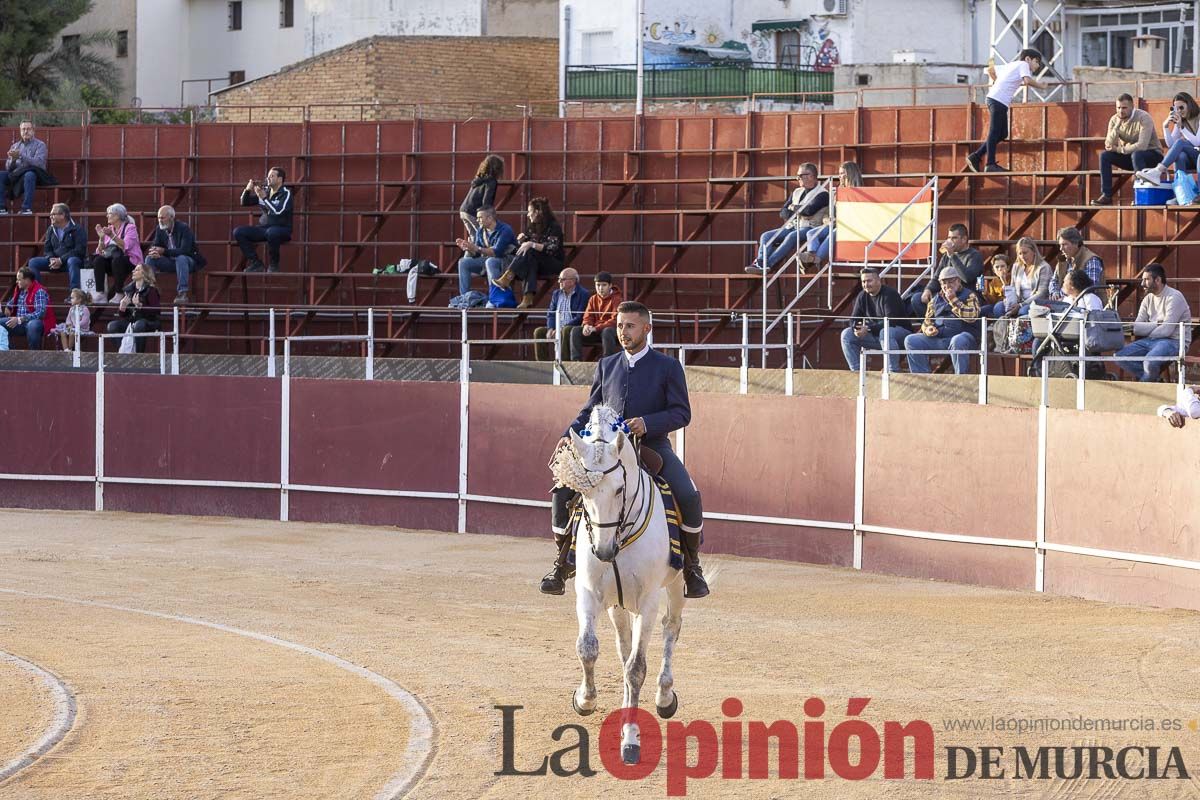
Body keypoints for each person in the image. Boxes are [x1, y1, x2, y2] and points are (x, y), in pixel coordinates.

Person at [541, 301, 709, 599]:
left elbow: (682, 414)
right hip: (605, 452)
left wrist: (648, 422)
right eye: (619, 326)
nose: (623, 332)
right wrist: (569, 435)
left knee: (688, 495)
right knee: (562, 491)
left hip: (651, 447)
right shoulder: (607, 364)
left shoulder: (668, 366)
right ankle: (562, 562)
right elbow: (590, 408)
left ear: (647, 328)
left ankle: (692, 568)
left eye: (629, 326)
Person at [965, 49, 1046, 173]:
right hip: (998, 99)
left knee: (1002, 134)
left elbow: (990, 70)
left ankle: (976, 156)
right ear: (1028, 59)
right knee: (994, 132)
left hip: (997, 99)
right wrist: (1042, 86)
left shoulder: (1011, 66)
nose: (1038, 65)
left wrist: (999, 82)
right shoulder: (1023, 65)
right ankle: (990, 164)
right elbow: (1027, 81)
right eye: (1036, 61)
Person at [1114, 263, 1192, 382]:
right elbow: (1137, 328)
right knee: (1119, 356)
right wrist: (1156, 324)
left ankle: (1144, 388)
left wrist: (1148, 329)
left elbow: (1166, 330)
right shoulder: (1148, 299)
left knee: (1149, 361)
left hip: (1174, 341)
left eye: (1146, 280)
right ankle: (1154, 380)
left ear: (1158, 280)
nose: (1142, 284)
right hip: (1152, 340)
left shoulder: (1175, 297)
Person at [746, 162, 828, 274]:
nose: (797, 178)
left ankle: (768, 265)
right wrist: (797, 210)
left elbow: (809, 211)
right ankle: (761, 262)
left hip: (810, 227)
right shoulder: (796, 192)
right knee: (766, 236)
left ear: (810, 176)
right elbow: (783, 212)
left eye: (799, 176)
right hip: (793, 226)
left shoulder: (823, 194)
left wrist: (794, 208)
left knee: (791, 236)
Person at [904, 266, 982, 374]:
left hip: (963, 338)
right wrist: (928, 329)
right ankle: (923, 378)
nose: (946, 286)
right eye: (943, 283)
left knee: (958, 340)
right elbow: (927, 321)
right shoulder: (935, 299)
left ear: (958, 281)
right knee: (911, 340)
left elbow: (972, 316)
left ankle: (961, 379)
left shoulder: (970, 295)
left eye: (950, 282)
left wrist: (954, 300)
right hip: (939, 338)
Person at [492, 196, 564, 309]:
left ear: (538, 212)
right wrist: (523, 240)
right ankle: (527, 298)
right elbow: (526, 246)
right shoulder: (532, 227)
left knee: (530, 252)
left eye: (530, 211)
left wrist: (531, 244)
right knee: (530, 261)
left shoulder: (554, 227)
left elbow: (552, 248)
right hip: (535, 261)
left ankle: (508, 276)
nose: (528, 214)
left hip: (552, 262)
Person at [1092, 93, 1162, 206]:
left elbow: (1142, 146)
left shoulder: (1143, 117)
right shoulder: (1115, 119)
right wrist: (1117, 126)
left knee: (1137, 154)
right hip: (1131, 156)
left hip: (1152, 155)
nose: (1120, 111)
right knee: (1105, 155)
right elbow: (1109, 145)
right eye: (1118, 108)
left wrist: (1119, 150)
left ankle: (1141, 195)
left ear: (1132, 107)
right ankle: (1106, 196)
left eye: (1124, 108)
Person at [841, 267, 909, 372]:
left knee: (885, 332)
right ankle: (857, 372)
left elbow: (891, 321)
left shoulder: (890, 294)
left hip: (899, 334)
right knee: (847, 334)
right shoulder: (862, 296)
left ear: (878, 280)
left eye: (869, 281)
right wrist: (857, 328)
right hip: (877, 335)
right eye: (863, 281)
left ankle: (893, 371)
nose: (866, 284)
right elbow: (854, 318)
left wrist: (867, 328)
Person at [909, 223, 983, 317]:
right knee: (917, 299)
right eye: (949, 238)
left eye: (954, 238)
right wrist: (928, 290)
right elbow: (937, 277)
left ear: (964, 239)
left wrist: (952, 256)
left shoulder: (974, 256)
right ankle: (931, 327)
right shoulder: (946, 256)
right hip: (945, 295)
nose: (950, 241)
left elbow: (967, 278)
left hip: (965, 296)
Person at [800, 161, 863, 267]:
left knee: (832, 234)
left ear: (851, 174)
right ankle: (811, 254)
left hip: (849, 227)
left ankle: (815, 259)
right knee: (811, 233)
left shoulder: (860, 193)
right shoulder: (836, 192)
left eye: (843, 173)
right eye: (839, 173)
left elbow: (859, 214)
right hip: (833, 224)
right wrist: (826, 219)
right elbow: (828, 211)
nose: (840, 176)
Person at [235, 167, 293, 273]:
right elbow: (245, 202)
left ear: (280, 179)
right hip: (265, 229)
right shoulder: (266, 191)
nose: (268, 178)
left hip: (282, 229)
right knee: (239, 232)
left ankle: (273, 265)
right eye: (268, 176)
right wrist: (248, 189)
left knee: (272, 232)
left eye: (272, 176)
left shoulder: (286, 193)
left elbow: (278, 212)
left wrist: (265, 198)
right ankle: (255, 263)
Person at [145, 205, 205, 305]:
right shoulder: (159, 229)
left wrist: (164, 252)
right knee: (149, 258)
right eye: (159, 218)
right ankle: (148, 289)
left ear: (171, 217)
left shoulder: (183, 228)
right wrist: (154, 251)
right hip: (170, 261)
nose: (160, 220)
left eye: (162, 218)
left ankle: (182, 293)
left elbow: (185, 250)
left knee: (181, 258)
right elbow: (155, 245)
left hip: (188, 261)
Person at [1139, 92, 1200, 190]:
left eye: (1181, 107)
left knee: (1181, 143)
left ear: (1189, 105)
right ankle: (1181, 194)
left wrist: (1182, 128)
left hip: (1199, 156)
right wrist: (1165, 127)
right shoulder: (1181, 120)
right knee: (1180, 156)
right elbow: (1172, 145)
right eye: (1176, 109)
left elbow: (1197, 142)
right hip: (1192, 157)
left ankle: (1157, 171)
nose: (1179, 111)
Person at [455, 206, 516, 297]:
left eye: (480, 217)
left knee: (490, 261)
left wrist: (476, 248)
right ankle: (464, 297)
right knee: (463, 262)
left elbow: (496, 252)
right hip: (489, 259)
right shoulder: (480, 231)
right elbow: (477, 253)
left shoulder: (505, 229)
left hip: (507, 262)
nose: (478, 220)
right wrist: (469, 249)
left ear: (490, 218)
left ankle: (495, 297)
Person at [533, 268, 590, 362]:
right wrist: (551, 328)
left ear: (572, 281)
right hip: (556, 327)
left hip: (571, 327)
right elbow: (551, 313)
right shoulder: (556, 294)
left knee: (566, 330)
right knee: (539, 332)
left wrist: (561, 328)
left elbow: (580, 317)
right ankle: (542, 363)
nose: (559, 281)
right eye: (559, 279)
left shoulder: (583, 294)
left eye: (562, 279)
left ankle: (564, 362)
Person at [91, 203, 143, 302]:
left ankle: (119, 293)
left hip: (130, 261)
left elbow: (125, 246)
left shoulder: (130, 228)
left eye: (109, 213)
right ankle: (101, 293)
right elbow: (100, 251)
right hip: (113, 260)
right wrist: (101, 238)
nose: (107, 216)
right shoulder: (109, 229)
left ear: (117, 215)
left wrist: (111, 236)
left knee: (117, 261)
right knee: (98, 260)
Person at [105, 264, 161, 353]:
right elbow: (123, 315)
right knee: (112, 326)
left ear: (144, 274)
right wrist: (122, 308)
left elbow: (156, 311)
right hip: (133, 321)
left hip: (149, 321)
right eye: (134, 270)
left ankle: (139, 355)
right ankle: (125, 354)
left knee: (139, 324)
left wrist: (140, 306)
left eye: (137, 270)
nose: (133, 272)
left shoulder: (151, 290)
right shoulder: (129, 290)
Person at [28, 203, 86, 288]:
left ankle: (74, 293)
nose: (50, 216)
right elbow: (47, 250)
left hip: (70, 262)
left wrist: (61, 260)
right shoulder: (51, 229)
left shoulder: (77, 229)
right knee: (33, 262)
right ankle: (38, 292)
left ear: (63, 215)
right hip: (54, 262)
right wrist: (51, 259)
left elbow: (79, 250)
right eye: (51, 214)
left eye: (53, 214)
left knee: (72, 261)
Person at [0, 121, 52, 215]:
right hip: (17, 174)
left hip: (34, 175)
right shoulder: (15, 146)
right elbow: (9, 168)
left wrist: (21, 155)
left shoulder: (40, 145)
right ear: (20, 131)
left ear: (33, 131)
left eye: (28, 129)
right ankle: (1, 208)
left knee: (29, 174)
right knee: (1, 175)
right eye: (23, 129)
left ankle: (26, 208)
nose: (26, 131)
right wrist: (13, 160)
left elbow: (38, 163)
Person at [570, 271, 622, 361]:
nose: (600, 288)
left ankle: (607, 361)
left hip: (611, 333)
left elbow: (615, 321)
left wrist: (595, 328)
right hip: (595, 331)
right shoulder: (593, 298)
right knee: (575, 330)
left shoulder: (617, 299)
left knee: (607, 331)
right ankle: (576, 361)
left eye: (604, 285)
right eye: (598, 285)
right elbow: (588, 316)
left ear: (610, 285)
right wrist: (586, 325)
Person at [3, 266, 56, 350]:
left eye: (19, 279)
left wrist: (20, 319)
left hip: (34, 322)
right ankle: (10, 351)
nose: (17, 282)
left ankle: (34, 355)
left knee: (33, 325)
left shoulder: (39, 291)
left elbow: (41, 313)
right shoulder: (21, 290)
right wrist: (8, 307)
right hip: (19, 322)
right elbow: (12, 302)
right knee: (1, 323)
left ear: (27, 280)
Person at [460, 154, 503, 237]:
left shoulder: (479, 178)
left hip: (464, 210)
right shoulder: (491, 182)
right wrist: (489, 215)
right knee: (483, 237)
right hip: (474, 212)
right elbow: (486, 201)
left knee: (474, 237)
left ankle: (471, 249)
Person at [1054, 226, 1104, 294]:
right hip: (1064, 302)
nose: (1061, 249)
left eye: (1064, 244)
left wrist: (1063, 295)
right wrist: (1055, 293)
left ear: (1076, 243)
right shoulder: (1063, 260)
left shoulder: (1091, 260)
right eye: (1060, 245)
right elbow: (1054, 281)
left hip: (1087, 302)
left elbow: (1090, 288)